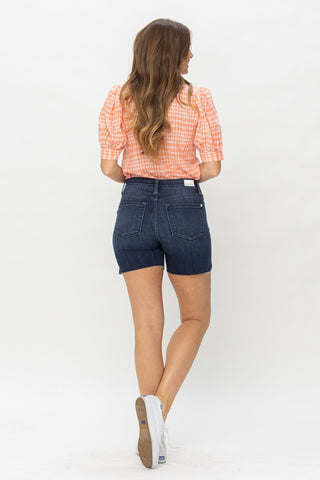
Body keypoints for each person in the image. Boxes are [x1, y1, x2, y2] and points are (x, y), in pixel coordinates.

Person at [98, 18, 224, 469]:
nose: (192, 57)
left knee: (147, 326)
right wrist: (179, 175)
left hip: (131, 205)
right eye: (188, 50)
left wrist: (139, 179)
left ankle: (152, 431)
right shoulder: (197, 97)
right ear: (174, 53)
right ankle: (159, 410)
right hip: (182, 204)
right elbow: (210, 167)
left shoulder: (119, 96)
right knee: (195, 315)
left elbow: (109, 167)